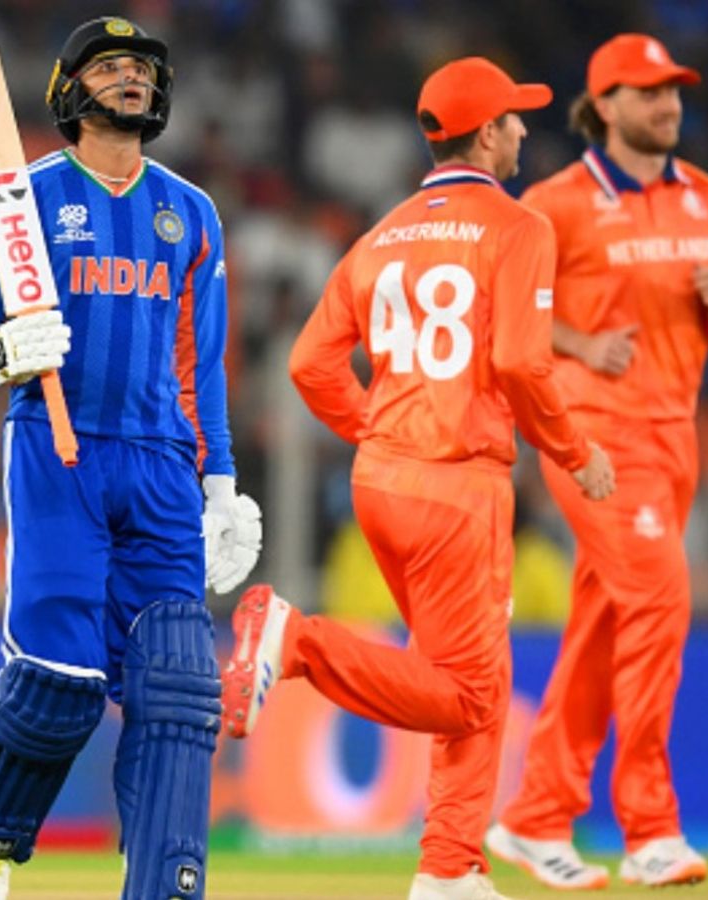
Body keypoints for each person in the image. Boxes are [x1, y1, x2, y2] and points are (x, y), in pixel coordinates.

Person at [221, 58, 615, 900]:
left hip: (384, 479)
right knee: (471, 694)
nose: (521, 131)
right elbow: (517, 358)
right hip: (459, 485)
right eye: (512, 118)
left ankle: (450, 870)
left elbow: (308, 363)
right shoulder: (518, 227)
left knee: (470, 672)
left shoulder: (383, 232)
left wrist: (378, 430)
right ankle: (297, 641)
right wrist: (577, 451)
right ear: (482, 132)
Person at [0, 16, 261, 900]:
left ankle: (163, 885)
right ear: (72, 88)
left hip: (161, 465)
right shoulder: (24, 199)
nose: (132, 78)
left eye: (143, 68)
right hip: (59, 450)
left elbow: (201, 361)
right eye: (112, 66)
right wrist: (7, 352)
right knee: (60, 683)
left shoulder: (191, 213)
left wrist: (221, 482)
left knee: (179, 693)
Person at [485, 34, 708, 890]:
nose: (668, 106)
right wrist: (580, 341)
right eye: (649, 94)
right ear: (604, 106)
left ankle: (533, 817)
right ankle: (651, 828)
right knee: (661, 599)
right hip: (592, 435)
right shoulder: (557, 204)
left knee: (604, 626)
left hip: (676, 436)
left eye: (673, 92)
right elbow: (507, 316)